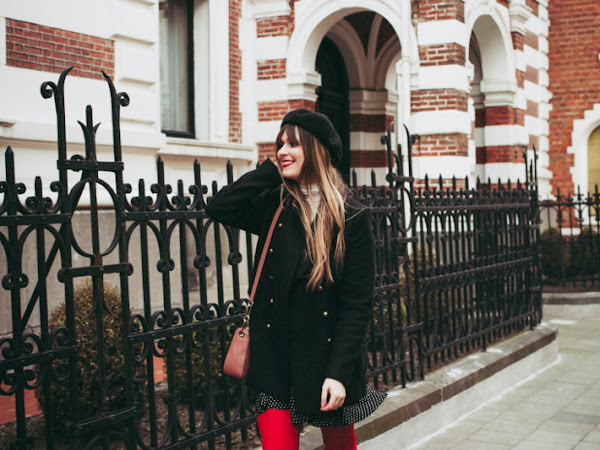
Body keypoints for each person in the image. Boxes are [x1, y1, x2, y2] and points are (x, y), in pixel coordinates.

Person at [205, 109, 385, 450]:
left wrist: (338, 373)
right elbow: (219, 207)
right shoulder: (276, 205)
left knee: (339, 445)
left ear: (316, 150)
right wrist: (270, 173)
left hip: (326, 358)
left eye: (293, 145)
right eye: (280, 144)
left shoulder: (353, 217)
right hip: (273, 360)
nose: (282, 151)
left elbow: (356, 304)